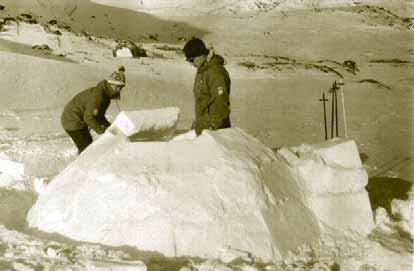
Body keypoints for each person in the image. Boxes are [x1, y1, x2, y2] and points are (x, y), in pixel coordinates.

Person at [61, 66, 126, 154]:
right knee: (86, 148)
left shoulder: (105, 96)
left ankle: (83, 161)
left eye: (121, 87)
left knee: (88, 144)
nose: (119, 90)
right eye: (116, 87)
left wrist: (109, 127)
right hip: (72, 120)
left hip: (77, 119)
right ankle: (82, 165)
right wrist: (101, 129)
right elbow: (88, 118)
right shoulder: (98, 96)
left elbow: (99, 116)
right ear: (109, 84)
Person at [182, 37, 231, 136]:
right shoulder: (202, 71)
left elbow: (220, 101)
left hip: (215, 132)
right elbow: (203, 101)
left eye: (191, 59)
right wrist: (198, 123)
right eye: (188, 60)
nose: (191, 63)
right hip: (204, 130)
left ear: (201, 55)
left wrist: (213, 127)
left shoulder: (215, 73)